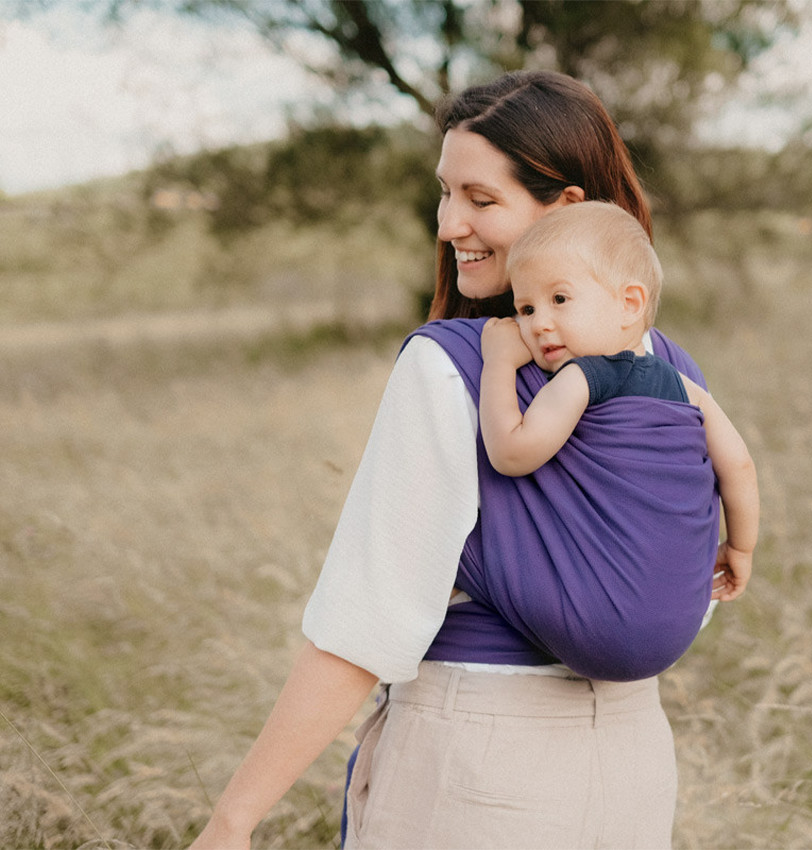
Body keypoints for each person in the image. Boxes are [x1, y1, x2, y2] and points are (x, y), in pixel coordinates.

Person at [188, 70, 747, 850]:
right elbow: (677, 581)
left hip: (476, 766)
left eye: (482, 200)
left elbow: (367, 619)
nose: (451, 224)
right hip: (631, 766)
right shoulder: (667, 368)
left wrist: (234, 817)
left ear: (566, 208)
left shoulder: (449, 365)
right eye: (445, 194)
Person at [473, 201, 757, 676]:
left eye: (559, 300)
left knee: (466, 535)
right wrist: (741, 548)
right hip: (677, 628)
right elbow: (740, 466)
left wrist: (500, 363)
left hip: (596, 628)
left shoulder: (585, 376)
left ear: (629, 304)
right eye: (525, 308)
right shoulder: (683, 387)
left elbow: (511, 453)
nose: (538, 323)